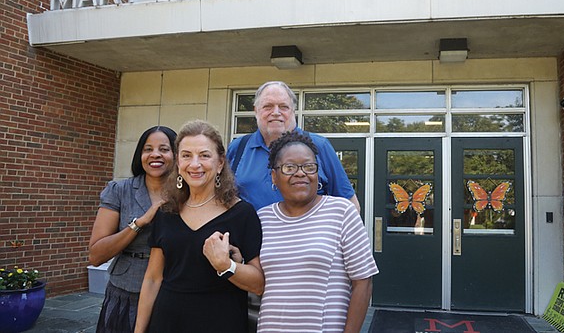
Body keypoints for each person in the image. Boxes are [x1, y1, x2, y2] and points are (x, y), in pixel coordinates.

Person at [134, 120, 263, 333]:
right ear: (178, 162)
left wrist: (226, 266)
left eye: (204, 155)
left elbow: (258, 284)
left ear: (220, 162)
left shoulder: (242, 214)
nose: (195, 164)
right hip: (166, 322)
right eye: (186, 155)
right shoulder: (166, 212)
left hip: (221, 322)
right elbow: (152, 279)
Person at [257, 130, 378, 333]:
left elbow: (363, 282)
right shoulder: (262, 218)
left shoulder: (341, 211)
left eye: (309, 166)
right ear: (274, 176)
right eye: (289, 167)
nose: (300, 173)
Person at [89, 125, 177, 333]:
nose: (155, 154)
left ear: (176, 154)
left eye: (164, 149)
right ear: (140, 155)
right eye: (148, 149)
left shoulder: (187, 194)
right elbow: (96, 255)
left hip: (171, 292)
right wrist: (139, 223)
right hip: (125, 294)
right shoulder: (119, 190)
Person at [227, 80, 360, 212]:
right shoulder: (238, 148)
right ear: (256, 111)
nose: (276, 112)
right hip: (251, 233)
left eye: (283, 106)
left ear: (293, 111)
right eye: (268, 106)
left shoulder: (318, 146)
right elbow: (222, 198)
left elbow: (350, 205)